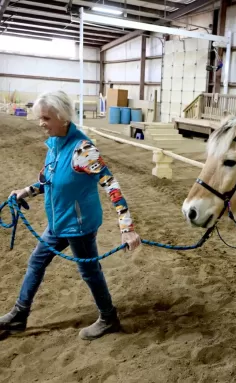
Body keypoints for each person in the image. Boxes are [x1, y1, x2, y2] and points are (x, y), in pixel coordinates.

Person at [0, 90, 141, 340]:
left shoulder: (83, 149)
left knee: (89, 271)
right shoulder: (54, 144)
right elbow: (49, 180)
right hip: (58, 222)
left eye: (46, 118)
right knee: (36, 262)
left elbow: (111, 183)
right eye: (40, 118)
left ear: (63, 116)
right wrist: (27, 191)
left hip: (79, 225)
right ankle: (20, 315)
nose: (41, 123)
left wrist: (126, 227)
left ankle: (109, 318)